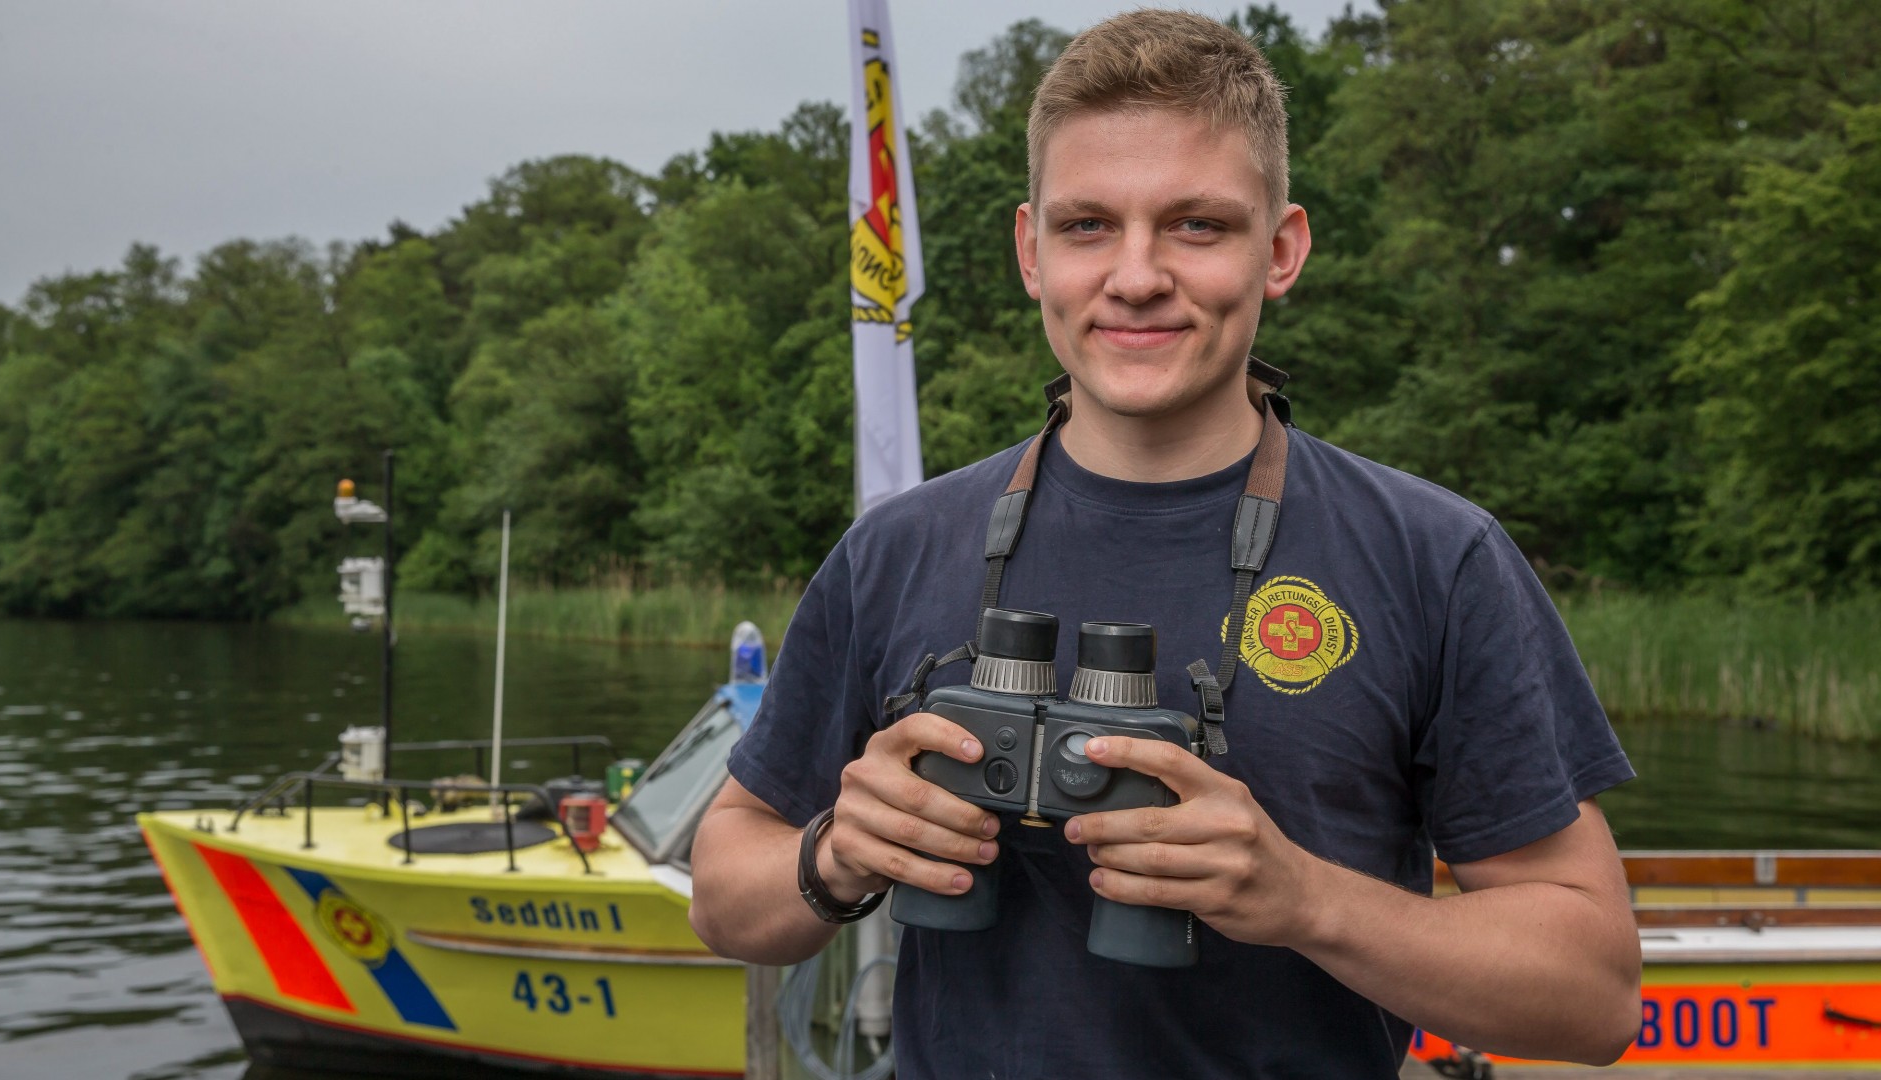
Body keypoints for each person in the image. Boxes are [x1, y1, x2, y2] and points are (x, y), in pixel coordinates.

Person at [690, 10, 1641, 1077]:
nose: (1136, 276)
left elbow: (1594, 994)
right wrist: (837, 857)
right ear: (1029, 251)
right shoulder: (898, 549)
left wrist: (1300, 898)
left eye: (1197, 225)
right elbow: (727, 889)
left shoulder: (1434, 557)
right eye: (1088, 225)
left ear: (1280, 251)